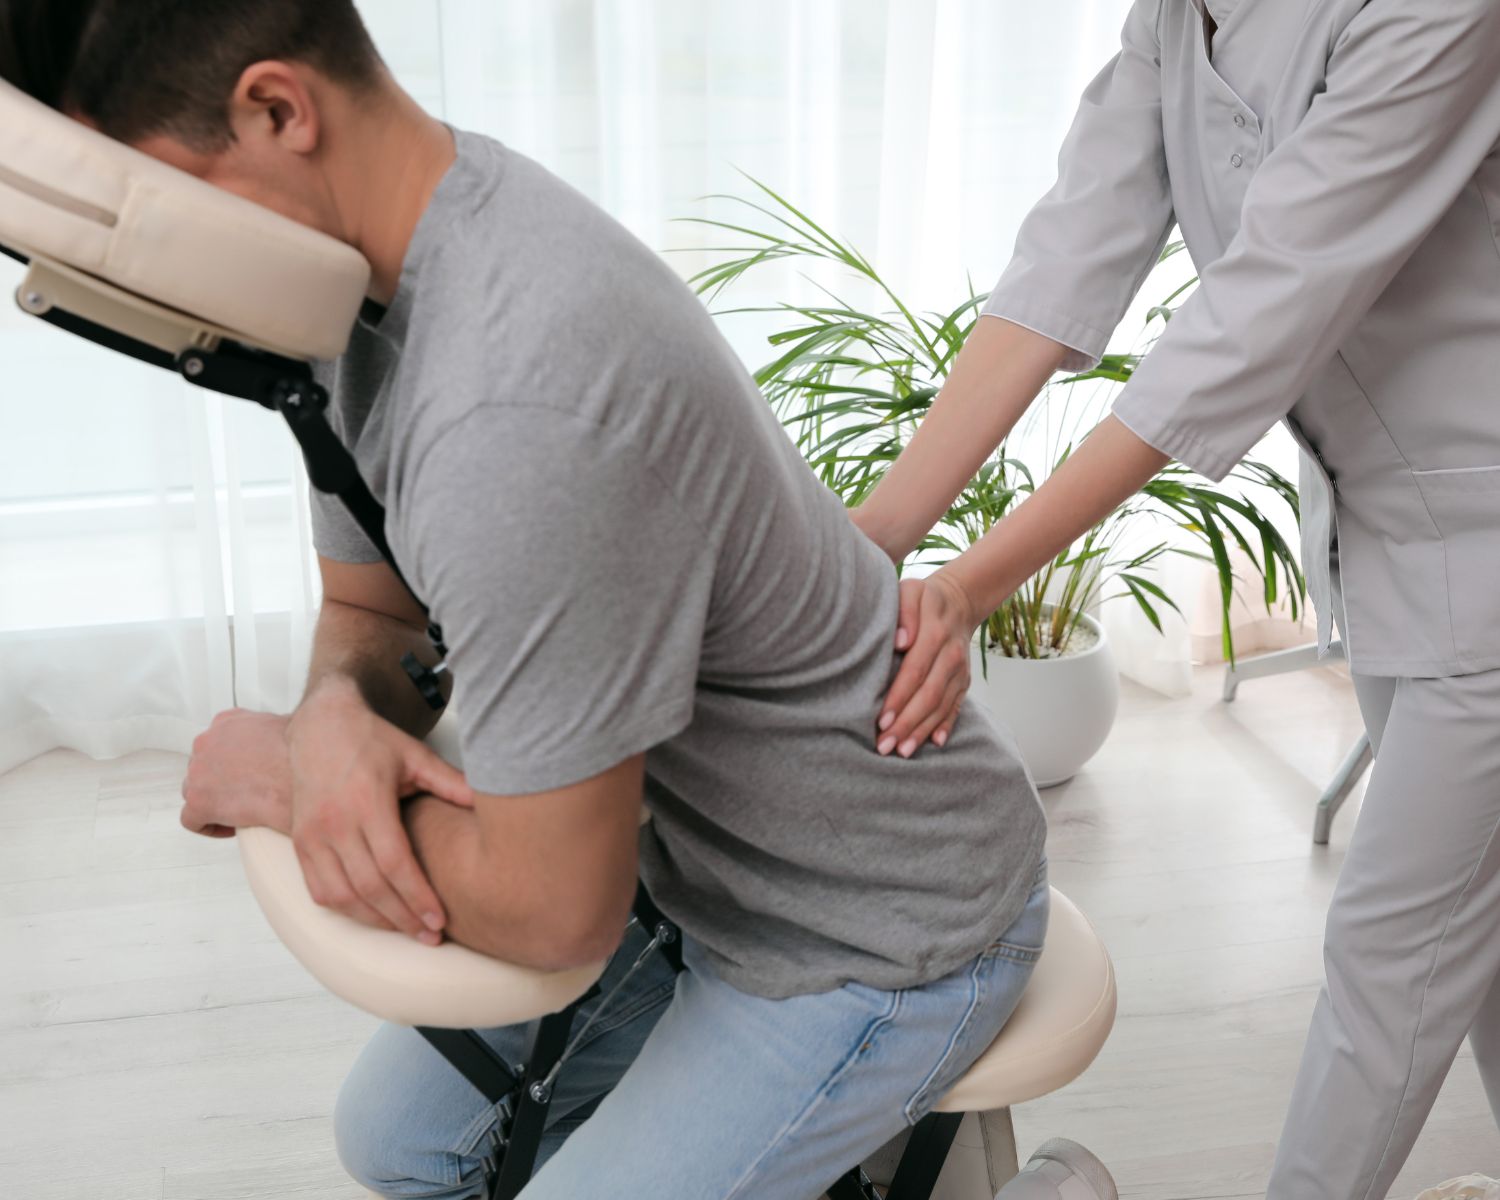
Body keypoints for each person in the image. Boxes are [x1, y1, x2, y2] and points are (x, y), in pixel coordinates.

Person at [0, 2, 1106, 1197]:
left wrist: (280, 777)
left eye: (149, 205)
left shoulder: (515, 402)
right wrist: (332, 722)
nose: (151, 260)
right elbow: (376, 616)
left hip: (878, 924)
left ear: (278, 109)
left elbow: (549, 911)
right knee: (405, 1145)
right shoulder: (365, 275)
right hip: (700, 862)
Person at [858, 1, 1500, 1197]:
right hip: (1396, 542)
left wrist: (966, 586)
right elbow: (1064, 261)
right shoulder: (1174, 19)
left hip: (1487, 542)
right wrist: (877, 533)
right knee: (1474, 951)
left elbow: (1249, 326)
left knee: (1394, 955)